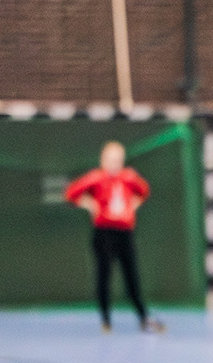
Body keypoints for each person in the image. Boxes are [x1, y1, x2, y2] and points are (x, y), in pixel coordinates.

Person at [64, 140, 163, 333]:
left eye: (117, 160)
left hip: (124, 233)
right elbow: (71, 193)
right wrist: (90, 204)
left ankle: (143, 317)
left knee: (132, 276)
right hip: (104, 233)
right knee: (104, 275)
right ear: (103, 160)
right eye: (110, 159)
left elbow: (144, 191)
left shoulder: (129, 177)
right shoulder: (95, 178)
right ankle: (106, 319)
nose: (114, 164)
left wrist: (133, 205)